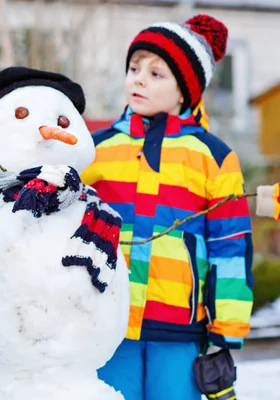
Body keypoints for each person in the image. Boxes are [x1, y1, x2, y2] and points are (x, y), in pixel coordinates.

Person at [81, 14, 253, 400]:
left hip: (179, 326)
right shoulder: (95, 149)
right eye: (134, 68)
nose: (139, 78)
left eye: (157, 73)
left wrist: (226, 329)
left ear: (185, 93)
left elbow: (231, 245)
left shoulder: (214, 157)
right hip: (108, 321)